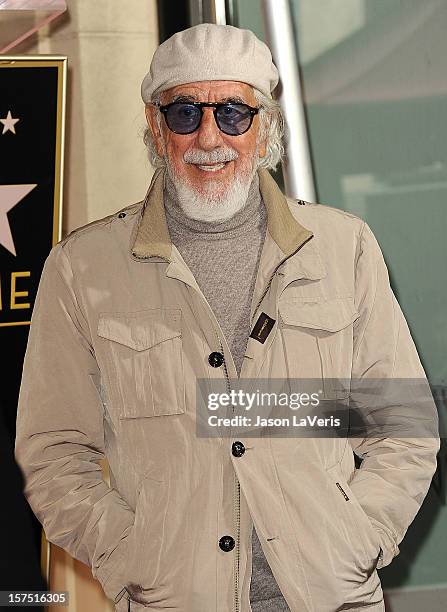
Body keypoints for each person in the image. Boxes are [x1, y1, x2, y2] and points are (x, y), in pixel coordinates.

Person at [14, 23, 439, 612]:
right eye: (184, 113)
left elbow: (404, 425)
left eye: (233, 113)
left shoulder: (345, 248)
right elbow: (53, 450)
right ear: (154, 127)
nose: (208, 137)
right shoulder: (81, 270)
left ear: (264, 124)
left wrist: (357, 539)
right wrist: (130, 553)